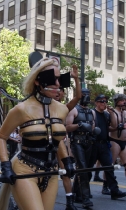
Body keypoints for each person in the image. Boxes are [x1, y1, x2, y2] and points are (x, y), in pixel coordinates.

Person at [0, 57, 75, 210]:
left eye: (59, 79)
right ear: (37, 81)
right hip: (24, 170)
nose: (57, 85)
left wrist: (67, 160)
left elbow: (56, 140)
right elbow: (1, 137)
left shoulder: (62, 109)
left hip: (51, 173)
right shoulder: (21, 109)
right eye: (52, 79)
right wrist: (5, 165)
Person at [53, 65, 81, 210]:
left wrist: (76, 79)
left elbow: (78, 97)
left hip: (62, 144)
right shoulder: (42, 106)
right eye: (55, 91)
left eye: (60, 92)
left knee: (66, 171)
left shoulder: (64, 108)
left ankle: (70, 202)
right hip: (45, 143)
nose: (57, 93)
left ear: (63, 94)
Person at [88, 94, 126, 200]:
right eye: (101, 101)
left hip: (104, 144)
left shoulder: (106, 114)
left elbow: (113, 126)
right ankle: (82, 192)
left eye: (105, 101)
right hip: (94, 144)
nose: (103, 103)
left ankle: (114, 191)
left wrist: (111, 113)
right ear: (96, 103)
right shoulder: (92, 113)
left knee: (109, 168)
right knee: (87, 169)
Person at [66, 88, 99, 209]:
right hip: (77, 143)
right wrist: (79, 125)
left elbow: (93, 125)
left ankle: (77, 194)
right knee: (83, 169)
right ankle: (86, 199)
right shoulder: (73, 110)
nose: (87, 97)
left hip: (89, 142)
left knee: (85, 169)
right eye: (84, 94)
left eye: (88, 94)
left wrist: (94, 130)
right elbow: (67, 127)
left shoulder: (92, 112)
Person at [109, 94, 126, 176]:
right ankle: (106, 184)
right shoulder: (112, 112)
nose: (124, 102)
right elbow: (109, 127)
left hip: (124, 141)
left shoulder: (125, 112)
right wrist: (118, 127)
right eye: (122, 100)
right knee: (110, 165)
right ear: (117, 102)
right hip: (115, 141)